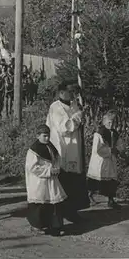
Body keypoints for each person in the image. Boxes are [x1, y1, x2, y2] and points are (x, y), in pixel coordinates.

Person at [46, 82, 89, 223]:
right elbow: (66, 126)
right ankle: (60, 214)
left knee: (74, 181)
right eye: (70, 92)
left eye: (74, 92)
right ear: (61, 93)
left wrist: (79, 113)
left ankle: (72, 211)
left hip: (74, 148)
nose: (73, 95)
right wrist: (78, 116)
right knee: (63, 181)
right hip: (62, 149)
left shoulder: (74, 105)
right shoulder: (55, 108)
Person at [25, 124, 67, 236]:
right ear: (37, 136)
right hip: (39, 181)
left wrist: (56, 168)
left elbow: (57, 158)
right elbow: (32, 167)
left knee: (54, 203)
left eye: (48, 136)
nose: (47, 138)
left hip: (52, 180)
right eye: (44, 136)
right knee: (40, 203)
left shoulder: (51, 146)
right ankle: (36, 225)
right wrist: (48, 171)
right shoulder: (33, 150)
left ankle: (54, 226)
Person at [87, 111, 124, 208]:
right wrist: (109, 150)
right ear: (104, 122)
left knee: (111, 180)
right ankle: (89, 196)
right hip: (100, 161)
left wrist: (119, 150)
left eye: (112, 122)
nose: (111, 125)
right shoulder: (99, 133)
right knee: (96, 180)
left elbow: (119, 144)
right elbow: (97, 149)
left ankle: (111, 200)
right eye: (109, 122)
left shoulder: (115, 133)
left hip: (111, 160)